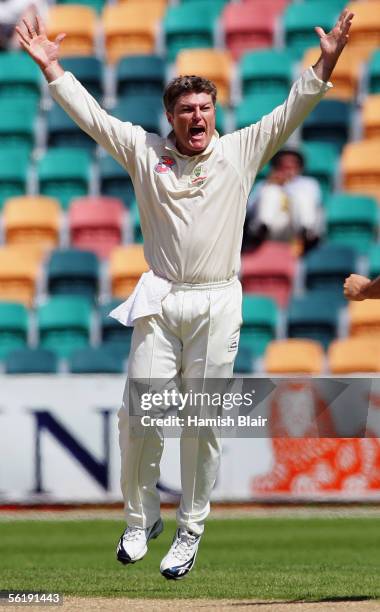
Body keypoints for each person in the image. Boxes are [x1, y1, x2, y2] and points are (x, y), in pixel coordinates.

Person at [16, 9, 354, 580]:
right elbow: (96, 120)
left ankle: (190, 529)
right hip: (161, 298)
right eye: (187, 111)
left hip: (219, 301)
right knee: (136, 413)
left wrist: (327, 60)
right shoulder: (146, 152)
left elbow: (294, 107)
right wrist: (53, 70)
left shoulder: (240, 151)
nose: (197, 118)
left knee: (202, 421)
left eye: (205, 109)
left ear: (214, 113)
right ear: (171, 117)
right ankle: (140, 516)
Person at [243, 148, 322, 253]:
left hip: (297, 226)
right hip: (273, 227)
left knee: (302, 196)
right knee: (270, 191)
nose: (288, 168)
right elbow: (249, 208)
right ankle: (261, 231)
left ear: (299, 167)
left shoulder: (309, 183)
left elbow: (316, 204)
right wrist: (271, 184)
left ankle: (307, 233)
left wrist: (286, 185)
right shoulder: (264, 185)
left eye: (292, 164)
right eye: (283, 165)